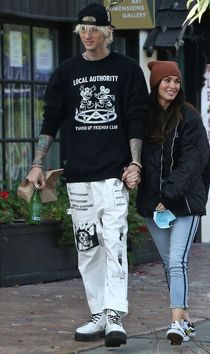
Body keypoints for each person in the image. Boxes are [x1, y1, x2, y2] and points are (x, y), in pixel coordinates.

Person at [26, 2, 148, 348]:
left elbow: (137, 118)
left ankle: (114, 315)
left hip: (112, 175)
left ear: (108, 32)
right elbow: (51, 118)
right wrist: (38, 162)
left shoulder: (126, 70)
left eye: (95, 29)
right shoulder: (66, 72)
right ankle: (97, 312)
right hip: (78, 176)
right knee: (88, 247)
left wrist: (135, 163)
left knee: (114, 243)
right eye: (83, 29)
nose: (88, 35)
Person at [136, 60, 210, 346]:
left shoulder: (188, 118)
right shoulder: (144, 118)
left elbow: (194, 162)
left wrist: (166, 197)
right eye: (166, 80)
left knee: (178, 261)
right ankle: (186, 319)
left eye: (176, 81)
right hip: (152, 207)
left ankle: (176, 322)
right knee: (170, 264)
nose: (172, 86)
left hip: (183, 204)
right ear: (155, 84)